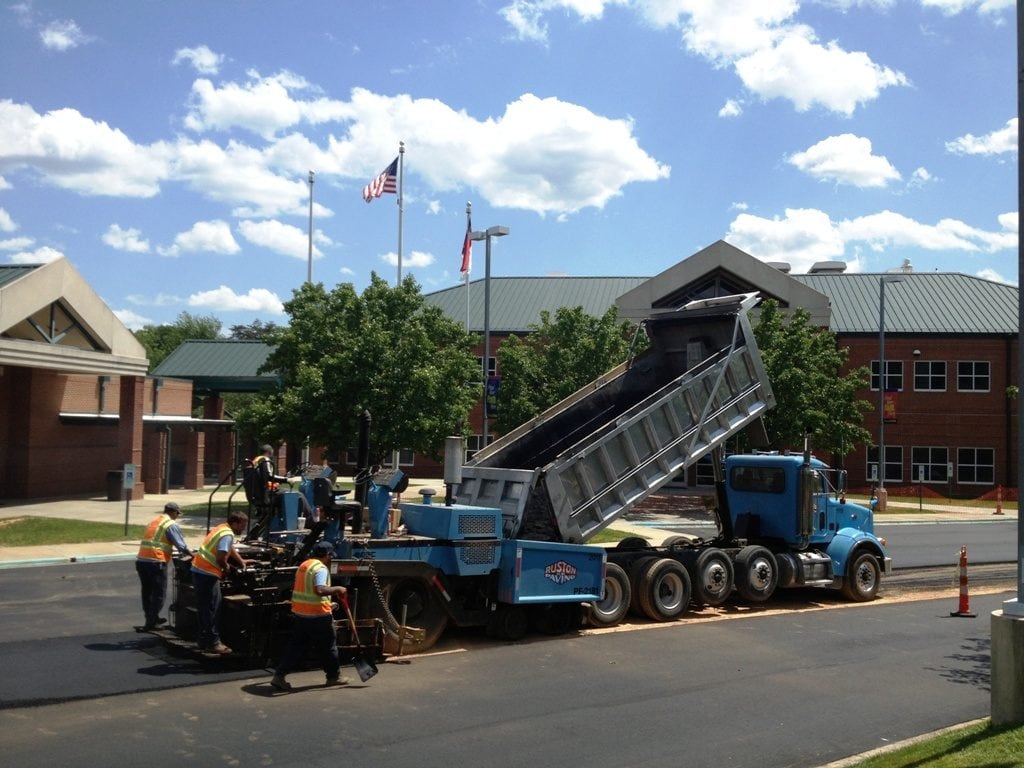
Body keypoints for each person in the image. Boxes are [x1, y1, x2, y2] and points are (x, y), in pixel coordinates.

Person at [270, 540, 349, 690]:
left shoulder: (304, 565)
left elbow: (308, 591)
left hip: (301, 613)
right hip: (318, 616)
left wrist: (329, 604)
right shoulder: (321, 569)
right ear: (327, 555)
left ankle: (279, 676)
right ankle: (334, 677)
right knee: (329, 647)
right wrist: (338, 588)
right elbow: (320, 590)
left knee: (296, 647)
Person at [190, 511, 251, 654]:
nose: (243, 529)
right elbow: (220, 558)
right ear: (235, 523)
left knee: (204, 608)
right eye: (242, 526)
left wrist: (240, 560)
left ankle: (203, 639)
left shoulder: (221, 528)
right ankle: (214, 643)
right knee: (212, 608)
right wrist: (228, 568)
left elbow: (228, 547)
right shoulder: (227, 534)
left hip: (198, 570)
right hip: (208, 574)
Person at [135, 501, 191, 630]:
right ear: (172, 512)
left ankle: (151, 617)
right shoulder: (170, 524)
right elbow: (180, 545)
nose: (177, 516)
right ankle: (151, 622)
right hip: (156, 561)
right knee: (159, 593)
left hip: (142, 561)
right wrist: (192, 555)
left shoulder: (154, 521)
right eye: (177, 513)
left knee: (147, 592)